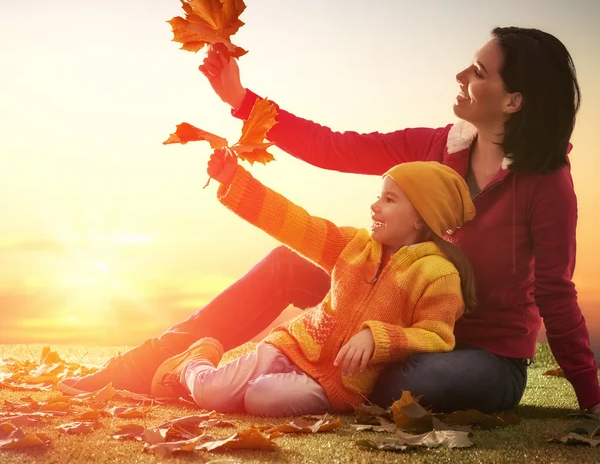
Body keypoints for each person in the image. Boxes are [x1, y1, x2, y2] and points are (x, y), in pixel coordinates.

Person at [59, 26, 600, 414]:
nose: (462, 74)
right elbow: (333, 149)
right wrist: (243, 101)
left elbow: (554, 292)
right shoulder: (434, 147)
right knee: (282, 266)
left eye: (479, 71)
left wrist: (590, 393)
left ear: (514, 101)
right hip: (386, 303)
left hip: (480, 353)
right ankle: (146, 367)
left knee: (407, 384)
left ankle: (299, 374)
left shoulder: (546, 184)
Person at [148, 152, 476, 415]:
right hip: (292, 347)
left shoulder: (438, 274)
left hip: (336, 387)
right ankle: (192, 362)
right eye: (378, 196)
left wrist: (378, 338)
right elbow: (294, 223)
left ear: (421, 216)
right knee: (210, 392)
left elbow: (436, 335)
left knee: (261, 398)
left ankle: (225, 383)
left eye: (389, 200)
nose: (375, 206)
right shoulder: (354, 246)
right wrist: (236, 181)